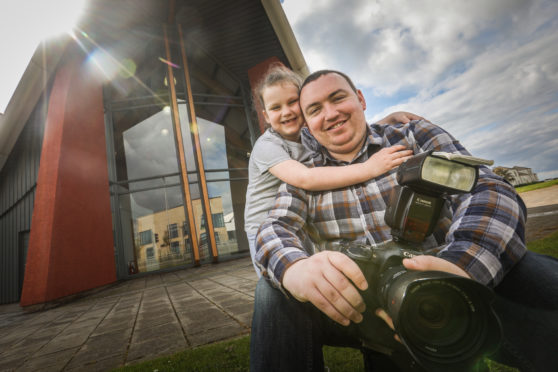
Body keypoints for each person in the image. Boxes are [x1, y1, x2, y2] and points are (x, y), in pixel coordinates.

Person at [250, 70, 558, 372]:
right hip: (357, 305)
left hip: (445, 277)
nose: (329, 114)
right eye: (315, 110)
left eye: (338, 98)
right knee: (273, 288)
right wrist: (295, 267)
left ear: (360, 99)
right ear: (307, 124)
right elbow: (274, 226)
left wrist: (463, 265)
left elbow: (485, 188)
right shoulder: (308, 174)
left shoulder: (412, 134)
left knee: (531, 271)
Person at [244, 65, 418, 276]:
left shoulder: (307, 136)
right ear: (266, 117)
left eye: (292, 103)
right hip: (265, 227)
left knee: (311, 273)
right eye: (276, 108)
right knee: (276, 281)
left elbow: (342, 126)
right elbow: (305, 178)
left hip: (300, 218)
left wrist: (387, 120)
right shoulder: (267, 146)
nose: (286, 112)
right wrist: (369, 168)